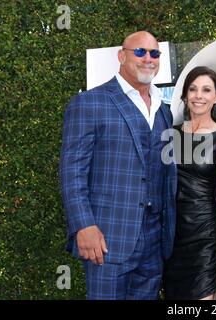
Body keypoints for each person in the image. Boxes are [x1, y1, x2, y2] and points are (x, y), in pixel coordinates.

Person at [60, 31, 176, 300]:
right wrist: (83, 225)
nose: (148, 58)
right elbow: (72, 171)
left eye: (154, 53)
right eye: (140, 52)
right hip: (107, 237)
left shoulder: (164, 110)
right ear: (121, 56)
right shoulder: (89, 102)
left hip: (154, 241)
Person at [163, 66, 216, 300]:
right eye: (193, 89)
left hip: (205, 237)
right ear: (184, 95)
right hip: (171, 237)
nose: (198, 95)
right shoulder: (169, 135)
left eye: (206, 89)